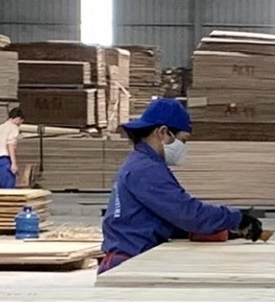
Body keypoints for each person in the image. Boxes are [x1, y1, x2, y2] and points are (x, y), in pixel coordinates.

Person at [97, 97, 265, 273]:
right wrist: (237, 219)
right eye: (183, 140)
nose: (184, 147)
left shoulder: (141, 163)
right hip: (129, 266)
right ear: (163, 132)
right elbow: (188, 213)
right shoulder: (146, 170)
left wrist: (222, 230)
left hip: (131, 259)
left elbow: (168, 219)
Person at [0, 105, 24, 188]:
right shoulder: (13, 127)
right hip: (4, 160)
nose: (20, 124)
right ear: (18, 118)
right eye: (21, 121)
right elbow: (10, 144)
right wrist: (14, 163)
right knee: (8, 191)